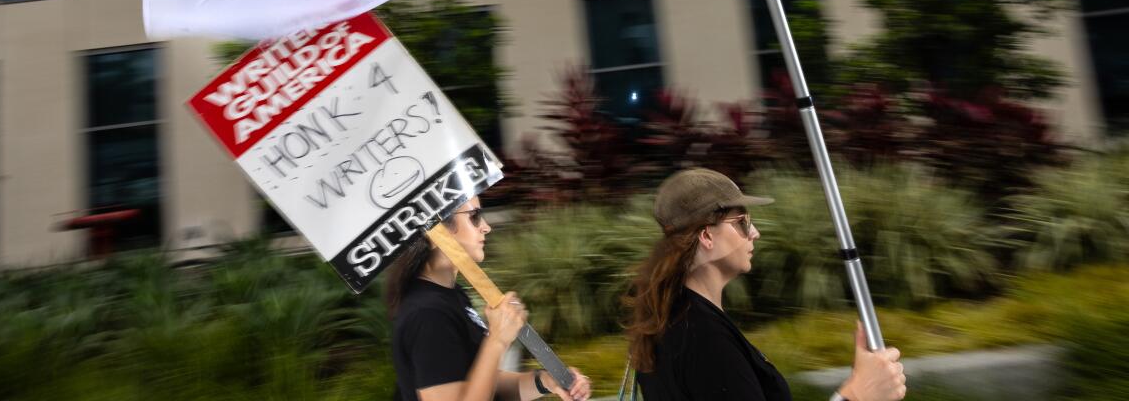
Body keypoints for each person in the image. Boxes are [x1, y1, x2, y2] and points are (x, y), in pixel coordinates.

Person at [625, 168, 906, 401]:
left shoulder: (675, 318)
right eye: (743, 222)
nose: (755, 233)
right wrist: (856, 394)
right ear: (707, 236)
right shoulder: (704, 339)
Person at [388, 194, 593, 401]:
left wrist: (545, 381)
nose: (486, 227)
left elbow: (482, 386)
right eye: (474, 216)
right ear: (436, 232)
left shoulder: (451, 296)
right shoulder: (428, 315)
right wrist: (496, 340)